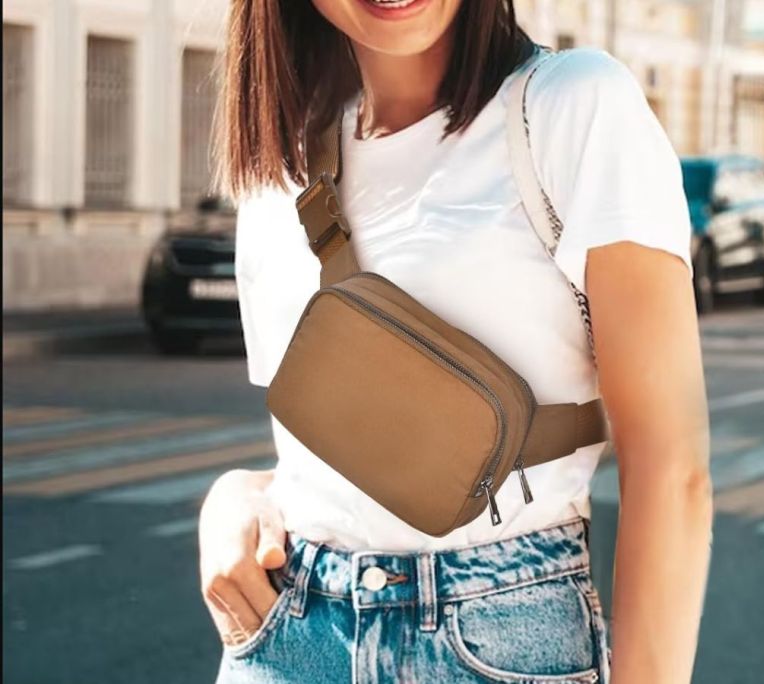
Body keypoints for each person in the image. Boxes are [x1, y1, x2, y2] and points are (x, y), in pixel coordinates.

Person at [199, 1, 714, 682]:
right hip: (288, 638)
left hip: (498, 636)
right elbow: (342, 454)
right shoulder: (282, 166)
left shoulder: (571, 105)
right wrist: (236, 497)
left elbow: (672, 470)